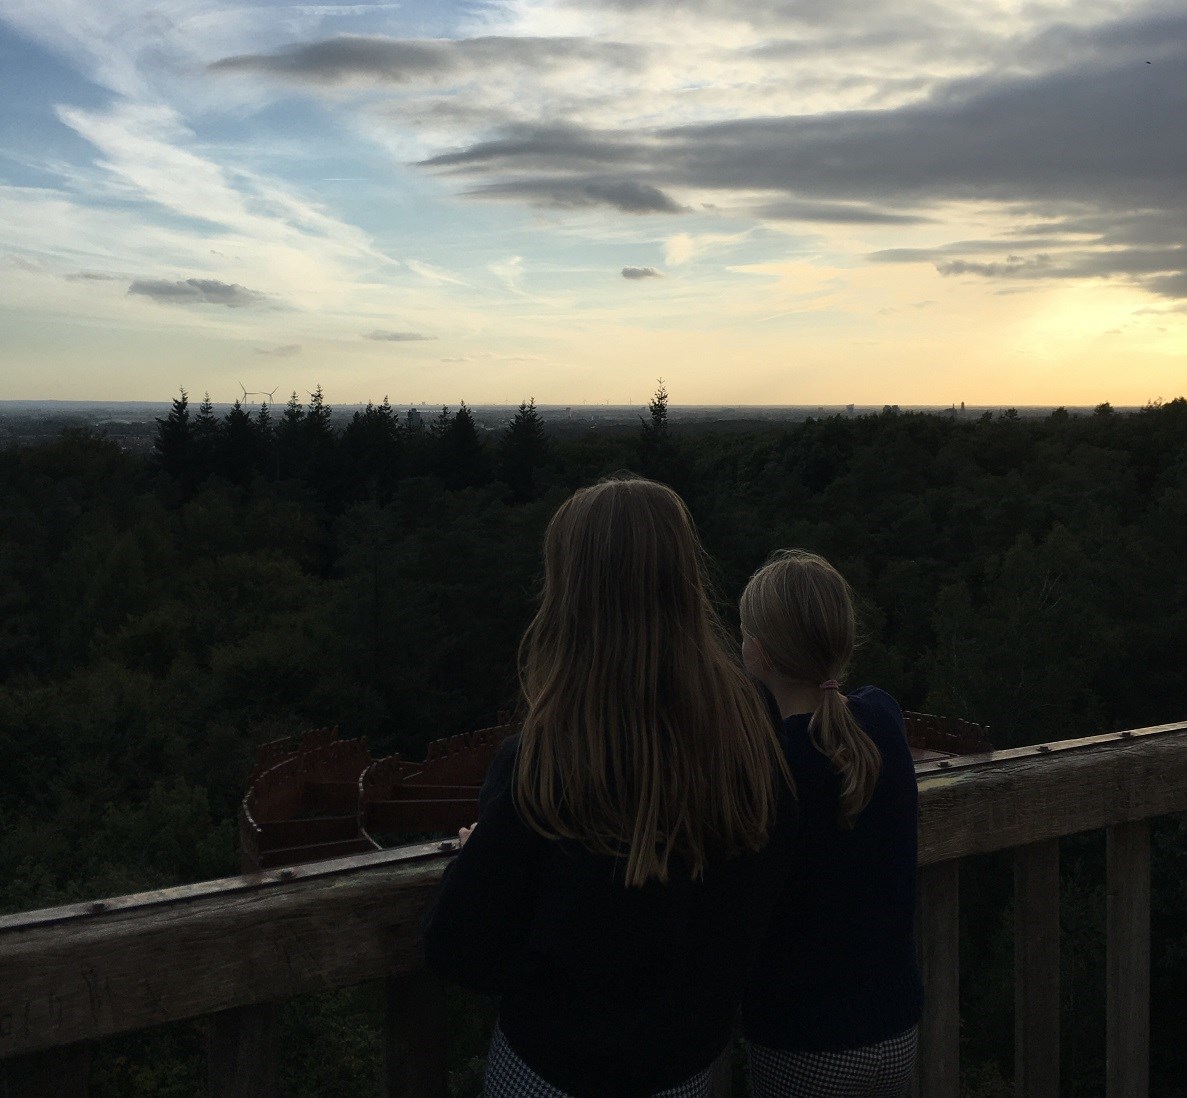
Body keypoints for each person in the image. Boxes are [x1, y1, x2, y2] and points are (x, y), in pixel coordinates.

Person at [424, 476, 796, 1098]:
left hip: (551, 1075)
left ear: (569, 600)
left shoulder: (543, 764)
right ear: (684, 586)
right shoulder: (751, 731)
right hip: (685, 1071)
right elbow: (766, 882)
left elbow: (461, 952)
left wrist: (480, 854)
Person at [739, 549, 922, 1097]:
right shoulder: (881, 718)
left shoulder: (773, 765)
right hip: (894, 1029)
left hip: (803, 1042)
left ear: (761, 654)